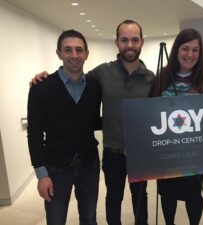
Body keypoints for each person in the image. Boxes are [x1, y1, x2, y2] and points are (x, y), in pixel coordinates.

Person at [31, 20, 155, 225]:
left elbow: (156, 116)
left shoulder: (151, 78)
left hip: (138, 154)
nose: (130, 45)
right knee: (113, 201)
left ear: (142, 42)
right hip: (110, 153)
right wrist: (41, 78)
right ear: (117, 42)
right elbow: (70, 80)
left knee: (140, 202)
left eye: (134, 40)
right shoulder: (101, 74)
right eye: (124, 40)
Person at [27, 30, 102, 225]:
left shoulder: (95, 86)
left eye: (79, 50)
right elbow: (34, 133)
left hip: (89, 164)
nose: (74, 55)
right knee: (56, 220)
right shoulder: (41, 88)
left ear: (87, 53)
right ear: (59, 53)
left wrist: (122, 120)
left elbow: (92, 121)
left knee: (89, 218)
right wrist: (41, 174)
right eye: (68, 50)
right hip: (55, 168)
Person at [153, 28, 203, 225]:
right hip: (167, 152)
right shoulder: (161, 77)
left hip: (195, 152)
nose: (190, 55)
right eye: (185, 48)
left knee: (193, 195)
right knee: (167, 195)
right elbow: (151, 113)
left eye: (195, 50)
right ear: (176, 50)